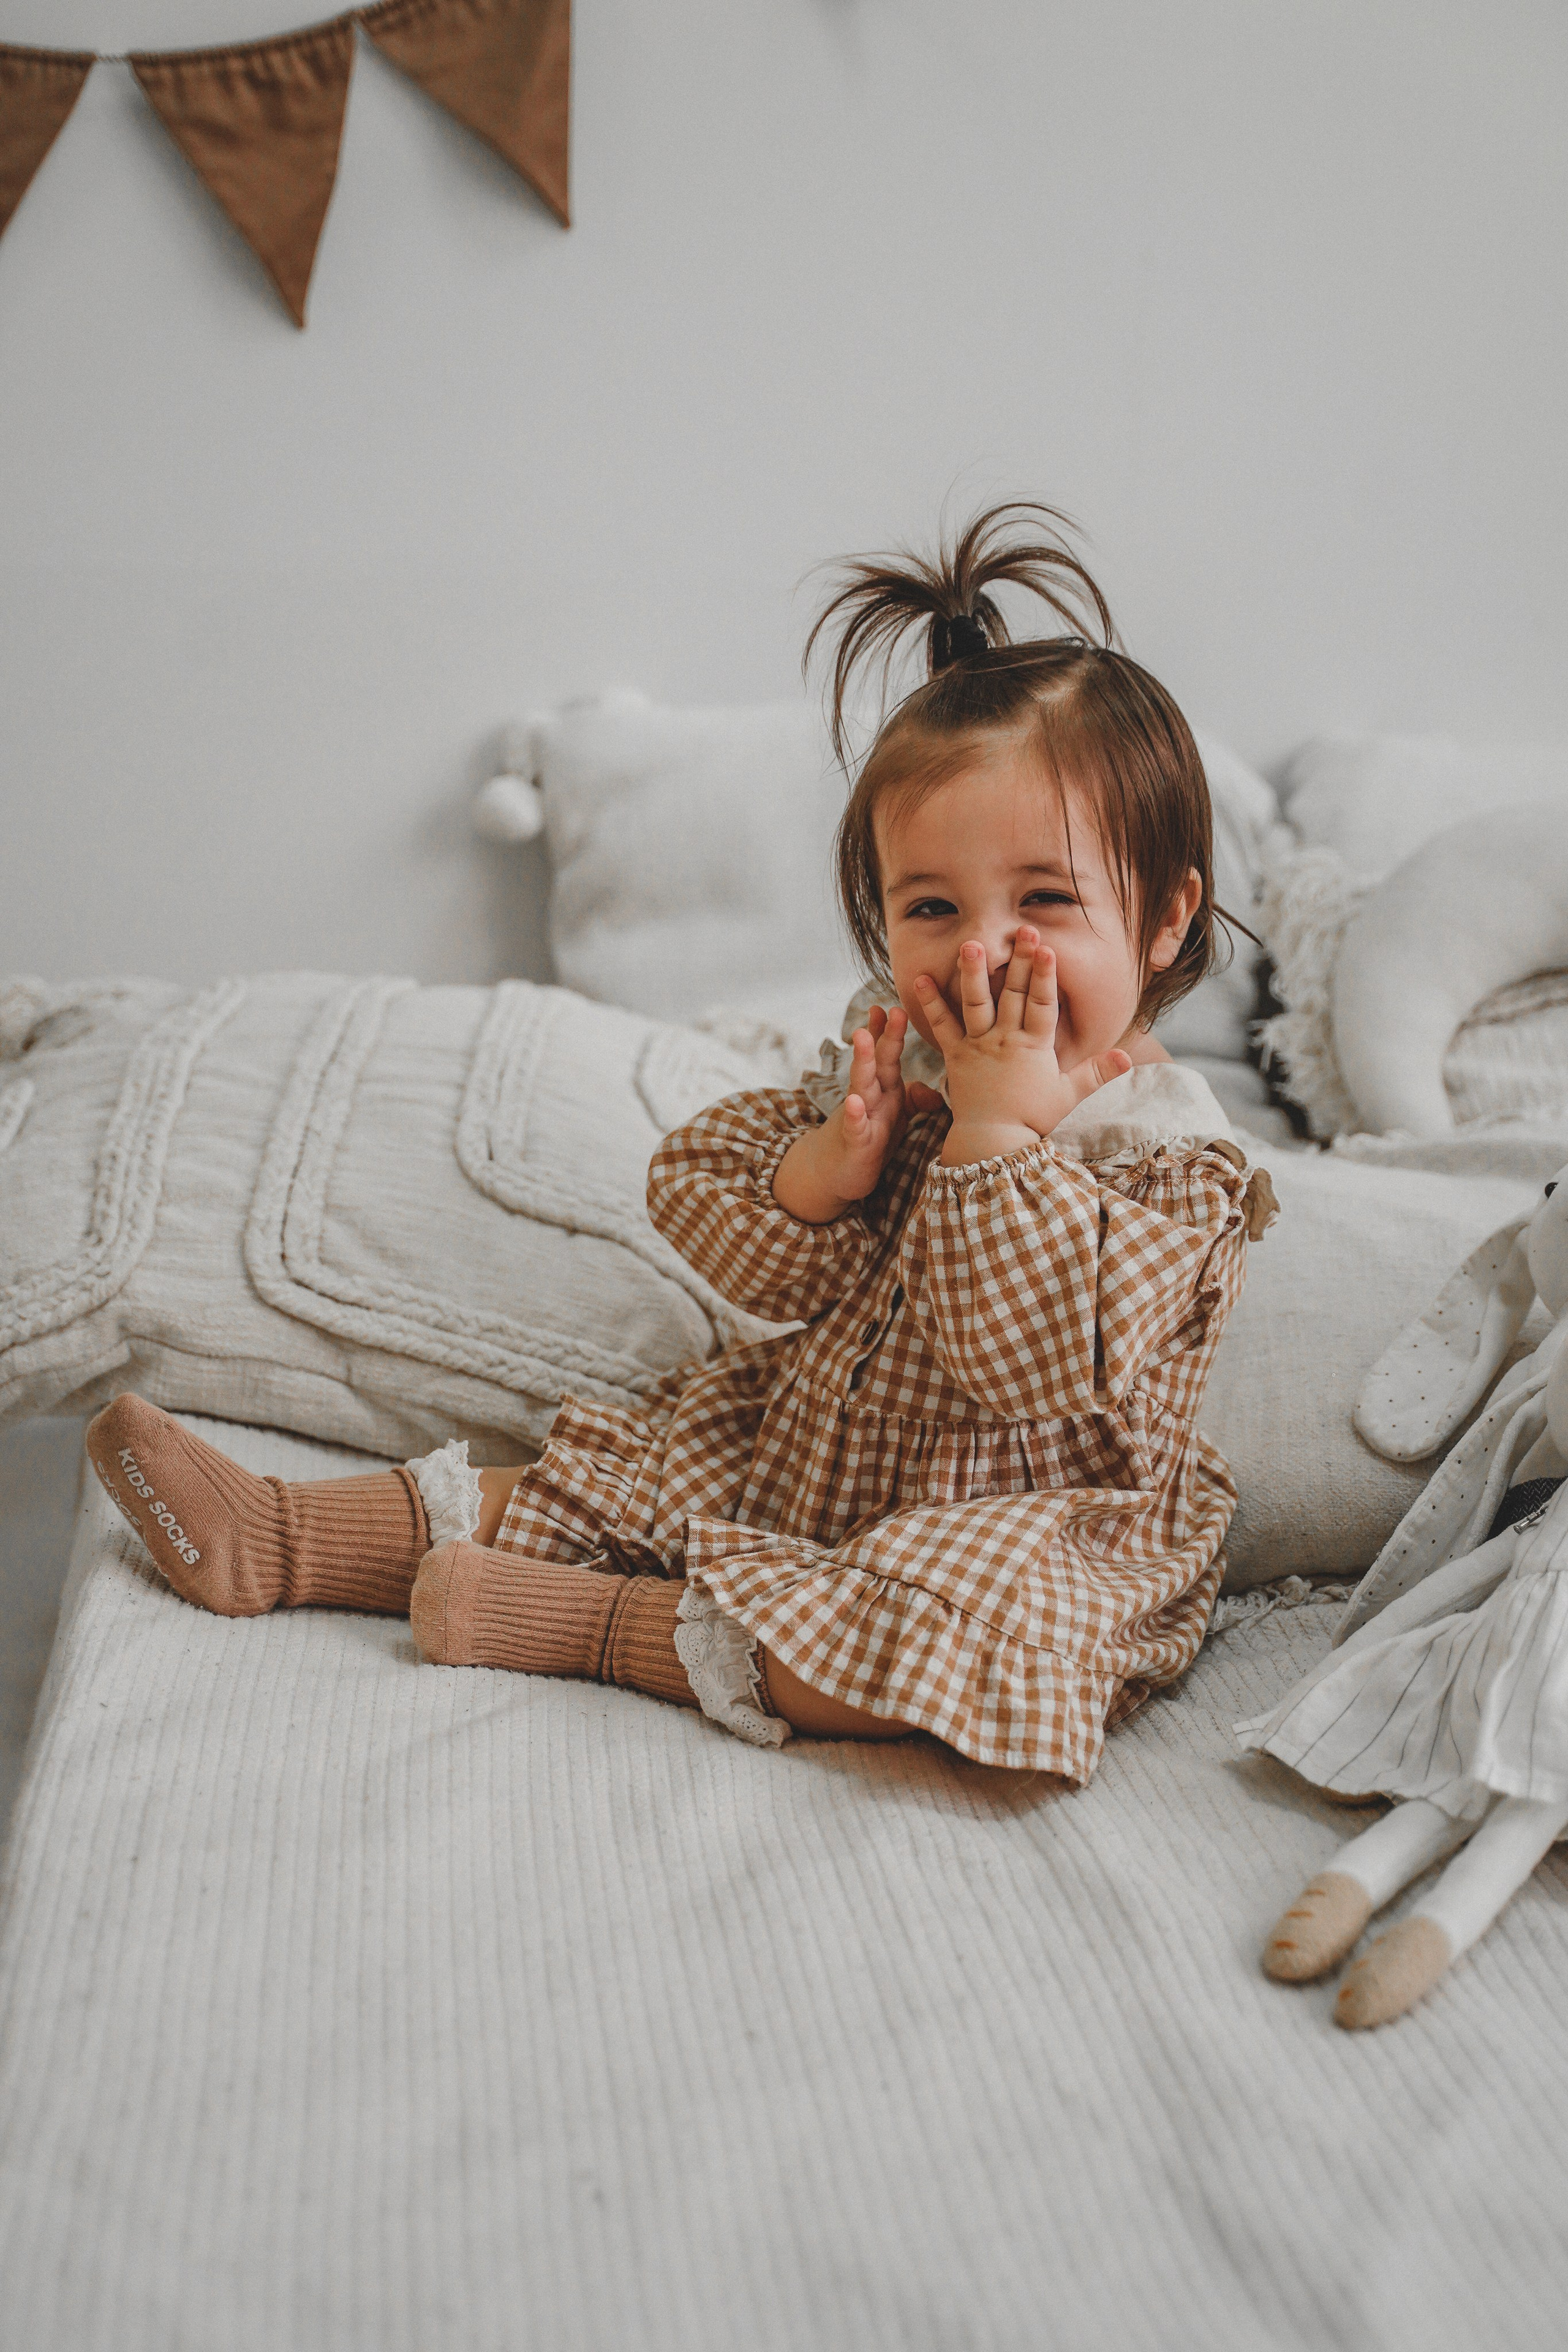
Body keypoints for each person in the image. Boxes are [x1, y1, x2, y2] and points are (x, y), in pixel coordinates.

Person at [85, 502, 1272, 1776]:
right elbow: (715, 1217)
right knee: (611, 1473)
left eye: (1043, 900)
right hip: (807, 1452)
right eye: (931, 907)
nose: (982, 952)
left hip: (1016, 1523)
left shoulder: (1165, 1161)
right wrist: (825, 1172)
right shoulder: (904, 1086)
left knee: (935, 1639)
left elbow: (1022, 1362)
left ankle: (602, 1629)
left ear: (1164, 917)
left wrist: (995, 1125)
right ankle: (280, 1536)